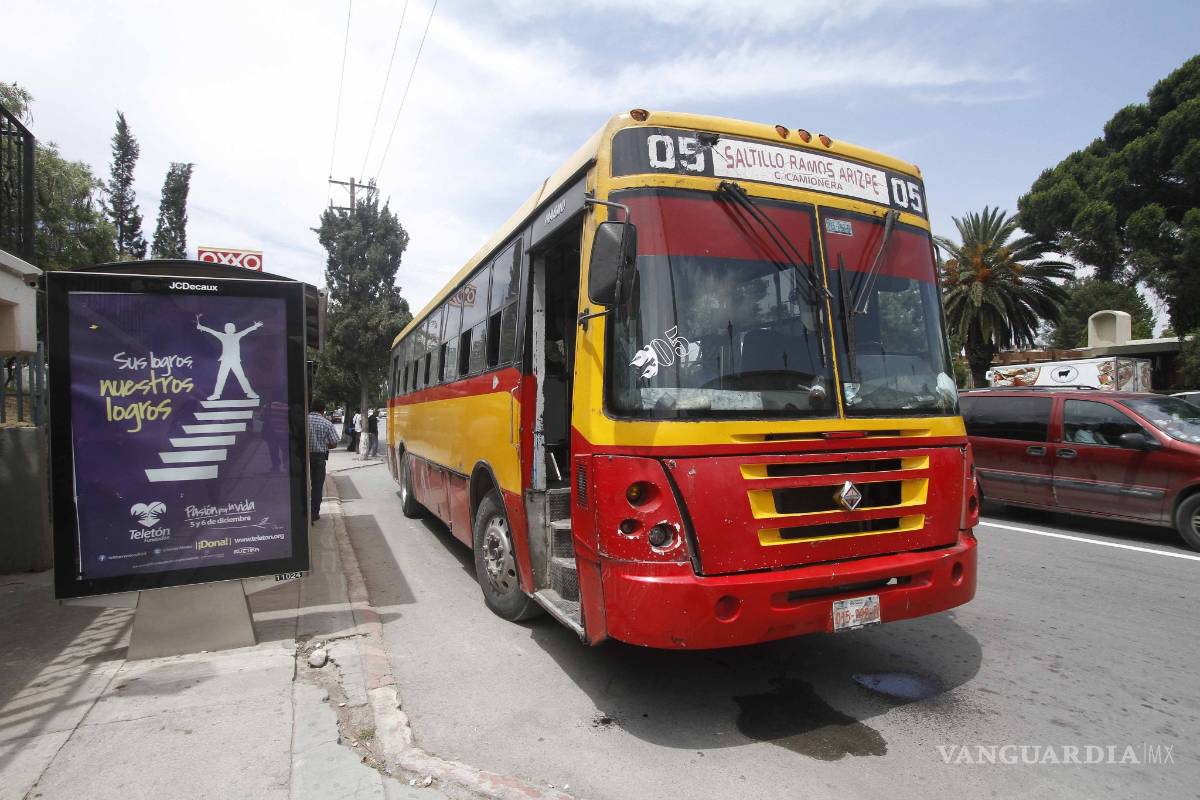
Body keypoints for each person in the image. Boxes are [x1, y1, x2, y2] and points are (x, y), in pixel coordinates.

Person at [195, 315, 263, 400]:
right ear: (225, 329)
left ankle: (250, 393)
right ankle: (216, 394)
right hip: (226, 361)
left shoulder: (237, 335)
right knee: (221, 378)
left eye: (231, 328)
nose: (230, 329)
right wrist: (201, 327)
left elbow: (246, 331)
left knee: (241, 377)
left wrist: (254, 326)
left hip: (234, 361)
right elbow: (212, 331)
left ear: (234, 329)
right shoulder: (223, 336)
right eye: (228, 328)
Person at [307, 400, 340, 522]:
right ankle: (314, 513)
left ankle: (302, 512)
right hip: (319, 458)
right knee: (316, 486)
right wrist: (324, 445)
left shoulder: (303, 420)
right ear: (322, 410)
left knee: (302, 485)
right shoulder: (327, 423)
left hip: (303, 457)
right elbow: (334, 443)